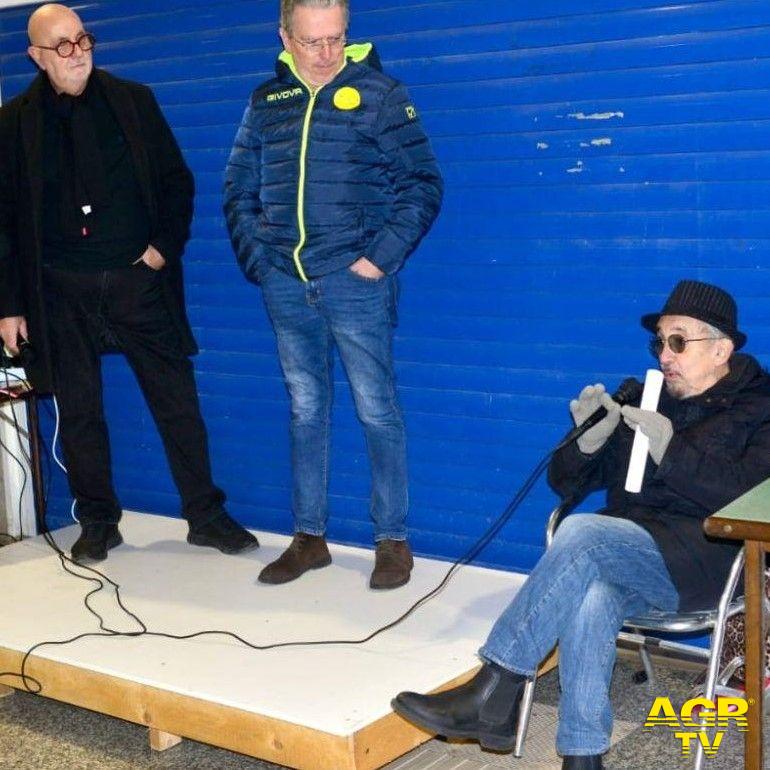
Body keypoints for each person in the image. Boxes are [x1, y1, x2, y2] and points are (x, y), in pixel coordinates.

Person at [392, 280, 770, 770]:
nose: (665, 355)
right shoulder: (646, 396)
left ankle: (496, 686)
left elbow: (747, 499)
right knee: (592, 592)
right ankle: (582, 755)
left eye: (678, 341)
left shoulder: (759, 408)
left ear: (721, 349)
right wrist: (586, 443)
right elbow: (565, 482)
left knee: (583, 534)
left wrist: (672, 451)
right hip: (628, 549)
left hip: (708, 560)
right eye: (660, 342)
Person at [0, 4, 258, 562]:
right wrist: (9, 305)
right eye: (62, 46)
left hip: (137, 283)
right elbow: (3, 220)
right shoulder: (12, 123)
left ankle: (206, 515)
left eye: (83, 39)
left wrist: (161, 250)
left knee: (176, 401)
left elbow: (176, 182)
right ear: (36, 57)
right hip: (58, 290)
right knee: (80, 410)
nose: (78, 53)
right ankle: (98, 521)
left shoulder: (133, 102)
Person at [224, 0, 442, 589]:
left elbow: (423, 183)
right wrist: (262, 263)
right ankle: (309, 538)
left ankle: (392, 540)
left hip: (354, 284)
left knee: (377, 409)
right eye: (311, 42)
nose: (325, 54)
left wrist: (378, 259)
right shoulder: (266, 101)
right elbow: (238, 186)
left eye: (335, 39)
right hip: (286, 284)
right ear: (285, 38)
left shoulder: (380, 94)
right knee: (305, 409)